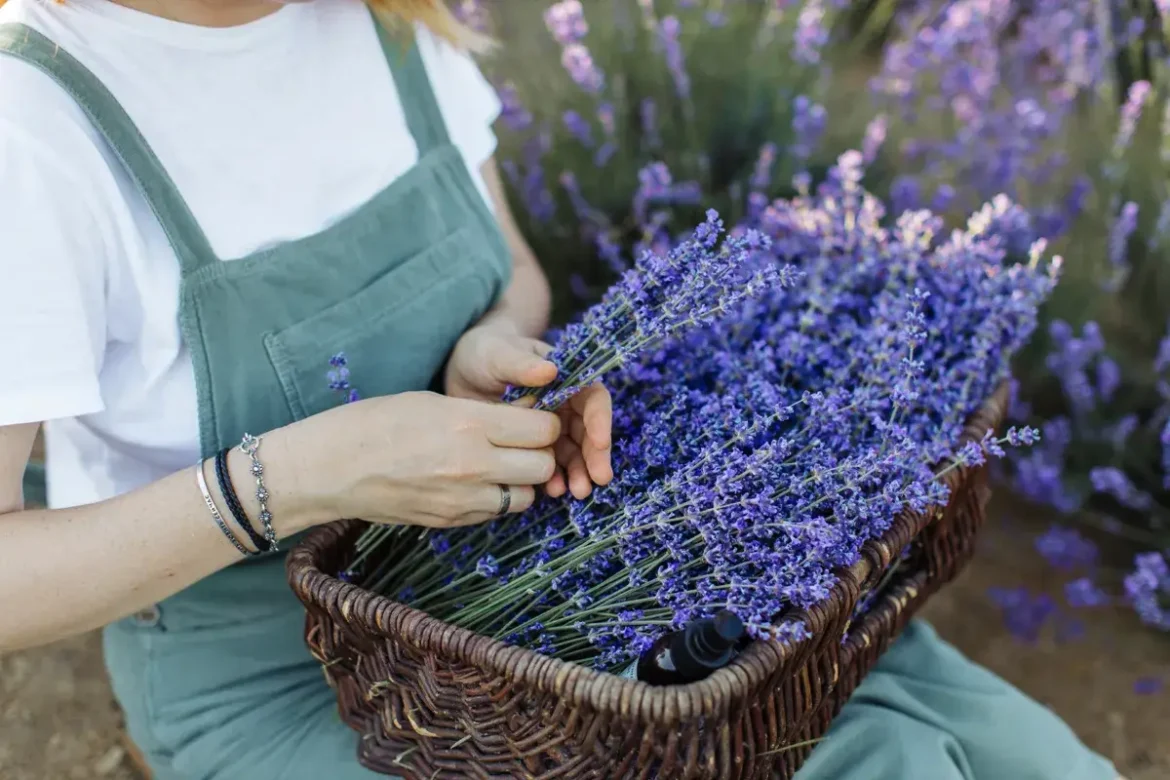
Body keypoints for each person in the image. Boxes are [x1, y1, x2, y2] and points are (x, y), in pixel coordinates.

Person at [0, 1, 1121, 779]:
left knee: (995, 754)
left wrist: (491, 347)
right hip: (279, 668)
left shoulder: (387, 19)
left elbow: (515, 272)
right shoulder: (36, 128)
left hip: (538, 585)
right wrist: (293, 480)